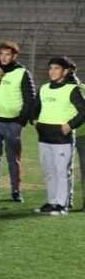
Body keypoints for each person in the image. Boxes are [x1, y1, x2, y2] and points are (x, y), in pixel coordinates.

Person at [0, 41, 35, 202]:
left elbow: (30, 100)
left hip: (13, 124)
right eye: (1, 54)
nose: (3, 57)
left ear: (14, 56)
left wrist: (21, 122)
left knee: (13, 159)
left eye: (7, 54)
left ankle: (15, 191)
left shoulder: (23, 73)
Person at [30, 57, 85, 216]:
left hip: (62, 139)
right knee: (48, 172)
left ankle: (62, 205)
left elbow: (83, 111)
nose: (52, 71)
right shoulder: (44, 88)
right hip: (44, 137)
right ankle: (51, 202)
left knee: (62, 172)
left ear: (65, 71)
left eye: (56, 68)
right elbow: (34, 108)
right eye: (50, 68)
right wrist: (34, 121)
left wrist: (70, 125)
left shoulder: (72, 89)